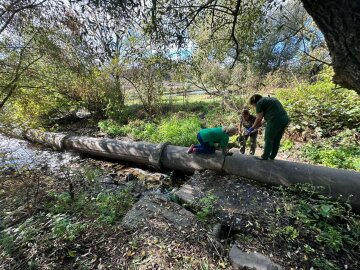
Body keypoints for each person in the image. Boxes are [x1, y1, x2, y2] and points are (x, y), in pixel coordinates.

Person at [247, 94, 289, 160]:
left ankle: (265, 156)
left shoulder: (259, 103)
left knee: (268, 138)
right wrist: (259, 125)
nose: (254, 107)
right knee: (277, 139)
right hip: (285, 119)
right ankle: (272, 157)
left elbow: (259, 118)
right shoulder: (271, 99)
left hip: (275, 120)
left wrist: (252, 128)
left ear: (254, 102)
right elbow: (266, 117)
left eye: (253, 105)